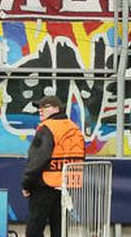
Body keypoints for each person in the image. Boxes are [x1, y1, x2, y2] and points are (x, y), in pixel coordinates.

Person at [22, 95, 85, 237]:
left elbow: (37, 160)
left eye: (45, 107)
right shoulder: (74, 128)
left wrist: (26, 184)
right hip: (68, 185)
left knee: (34, 229)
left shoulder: (46, 128)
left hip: (44, 184)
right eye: (39, 107)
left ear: (57, 109)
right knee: (60, 229)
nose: (40, 110)